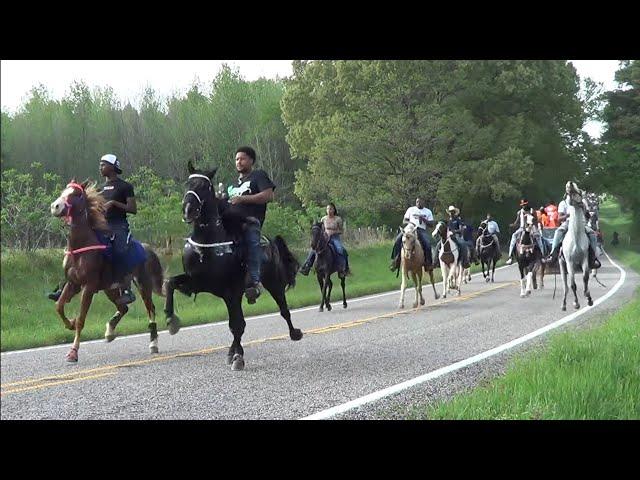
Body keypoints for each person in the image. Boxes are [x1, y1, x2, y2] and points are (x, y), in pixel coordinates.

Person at [48, 153, 138, 305]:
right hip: (100, 225)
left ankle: (126, 289)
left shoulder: (125, 186)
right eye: (100, 164)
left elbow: (132, 209)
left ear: (113, 167)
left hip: (118, 226)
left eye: (103, 164)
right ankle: (64, 285)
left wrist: (114, 203)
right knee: (76, 250)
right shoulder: (99, 189)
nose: (100, 167)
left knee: (122, 249)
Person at [224, 146, 276, 304]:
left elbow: (269, 195)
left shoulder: (258, 176)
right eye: (236, 159)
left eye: (242, 158)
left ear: (251, 160)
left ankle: (255, 281)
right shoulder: (231, 185)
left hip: (250, 221)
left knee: (252, 243)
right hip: (230, 223)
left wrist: (242, 199)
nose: (239, 162)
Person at [542, 186, 601, 269]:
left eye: (575, 194)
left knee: (592, 234)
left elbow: (588, 216)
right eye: (571, 194)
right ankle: (552, 254)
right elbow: (559, 218)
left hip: (581, 223)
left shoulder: (582, 202)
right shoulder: (563, 203)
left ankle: (593, 257)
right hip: (568, 222)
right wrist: (569, 215)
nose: (573, 195)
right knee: (558, 232)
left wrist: (583, 208)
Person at [299, 203, 350, 275]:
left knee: (340, 249)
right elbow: (320, 229)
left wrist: (333, 232)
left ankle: (342, 268)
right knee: (313, 249)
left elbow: (341, 230)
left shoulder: (338, 219)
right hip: (324, 238)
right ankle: (307, 266)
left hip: (334, 238)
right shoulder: (323, 219)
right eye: (327, 209)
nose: (329, 210)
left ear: (334, 210)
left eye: (331, 209)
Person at [389, 197, 434, 271]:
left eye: (420, 202)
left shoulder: (427, 211)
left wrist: (423, 219)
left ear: (423, 202)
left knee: (427, 244)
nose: (418, 203)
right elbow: (404, 221)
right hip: (410, 228)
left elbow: (431, 224)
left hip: (421, 229)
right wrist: (410, 222)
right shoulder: (411, 209)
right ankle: (395, 260)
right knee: (398, 239)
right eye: (417, 202)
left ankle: (428, 263)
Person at [505, 199, 545, 265]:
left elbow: (536, 220)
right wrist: (513, 225)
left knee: (538, 238)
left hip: (531, 227)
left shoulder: (532, 211)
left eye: (525, 205)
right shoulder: (519, 212)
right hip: (522, 228)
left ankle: (542, 255)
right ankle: (510, 256)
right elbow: (517, 221)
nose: (524, 206)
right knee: (514, 236)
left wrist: (532, 222)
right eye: (522, 205)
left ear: (527, 204)